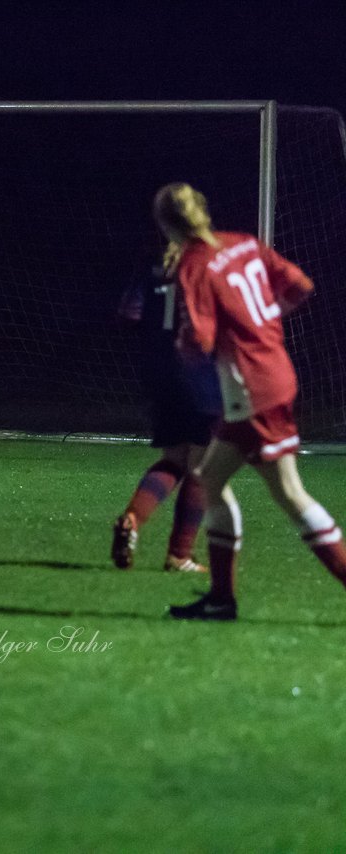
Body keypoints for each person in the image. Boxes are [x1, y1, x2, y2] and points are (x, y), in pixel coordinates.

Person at [153, 182, 346, 620]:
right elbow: (300, 286)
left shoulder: (194, 265)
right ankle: (221, 599)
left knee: (291, 494)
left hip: (251, 390)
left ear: (166, 225)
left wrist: (185, 353)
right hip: (273, 373)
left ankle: (223, 599)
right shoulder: (244, 243)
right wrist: (261, 324)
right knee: (208, 478)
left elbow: (197, 340)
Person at [110, 251, 223, 573]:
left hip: (160, 375)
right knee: (203, 466)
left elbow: (128, 314)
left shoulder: (151, 266)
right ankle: (179, 555)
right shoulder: (210, 265)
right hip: (199, 374)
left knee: (174, 459)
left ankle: (132, 519)